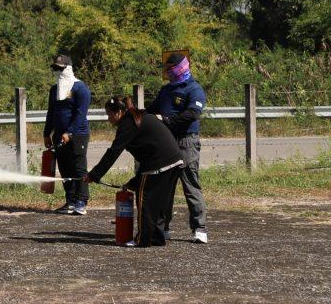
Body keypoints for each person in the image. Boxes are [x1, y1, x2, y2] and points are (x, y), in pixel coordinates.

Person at [85, 96, 184, 247]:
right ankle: (156, 238)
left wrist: (94, 174)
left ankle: (144, 240)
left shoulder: (127, 123)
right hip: (174, 161)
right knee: (158, 203)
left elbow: (113, 152)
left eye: (109, 114)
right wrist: (134, 182)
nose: (108, 118)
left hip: (158, 163)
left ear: (119, 112)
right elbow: (147, 154)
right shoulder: (137, 117)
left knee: (145, 200)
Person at [148, 52, 208, 244]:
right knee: (166, 188)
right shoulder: (165, 90)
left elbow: (192, 114)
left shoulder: (194, 89)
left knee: (191, 185)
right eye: (166, 69)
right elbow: (152, 110)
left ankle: (199, 229)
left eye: (170, 68)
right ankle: (163, 227)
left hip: (186, 142)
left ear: (181, 67)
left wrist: (167, 120)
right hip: (167, 143)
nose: (168, 72)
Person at [42, 54, 91, 215]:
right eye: (55, 68)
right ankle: (70, 200)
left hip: (78, 135)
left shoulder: (80, 88)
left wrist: (70, 132)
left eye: (60, 68)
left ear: (68, 68)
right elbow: (51, 113)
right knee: (64, 168)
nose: (57, 71)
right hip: (58, 135)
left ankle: (81, 201)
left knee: (78, 168)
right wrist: (46, 133)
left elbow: (80, 114)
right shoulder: (54, 90)